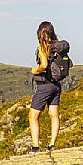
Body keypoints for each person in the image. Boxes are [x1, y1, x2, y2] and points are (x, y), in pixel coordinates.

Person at [29, 21, 68, 153]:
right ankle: (52, 145)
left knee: (33, 115)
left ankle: (35, 146)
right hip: (56, 86)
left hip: (44, 85)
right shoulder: (59, 48)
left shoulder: (43, 47)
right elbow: (71, 64)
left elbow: (44, 65)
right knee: (54, 115)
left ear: (41, 33)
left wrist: (35, 70)